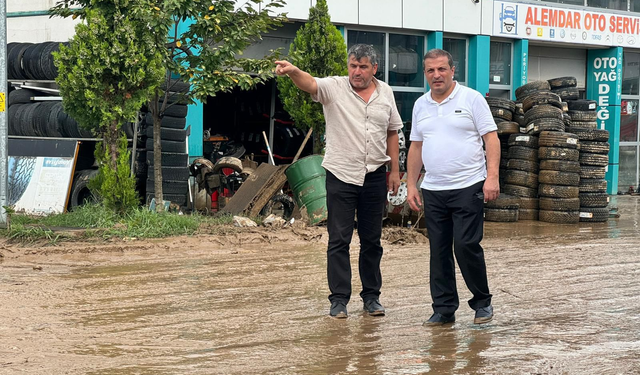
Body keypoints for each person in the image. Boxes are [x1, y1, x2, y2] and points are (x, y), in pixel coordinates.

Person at [275, 44, 402, 319]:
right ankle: (339, 300)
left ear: (374, 68)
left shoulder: (386, 93)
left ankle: (371, 298)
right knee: (339, 239)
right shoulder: (335, 88)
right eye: (353, 66)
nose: (357, 72)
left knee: (372, 240)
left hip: (375, 175)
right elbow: (310, 83)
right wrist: (293, 71)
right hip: (341, 175)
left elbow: (393, 132)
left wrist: (395, 171)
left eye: (363, 66)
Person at [405, 49, 500, 326]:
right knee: (439, 250)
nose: (436, 75)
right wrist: (412, 184)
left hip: (468, 185)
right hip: (434, 189)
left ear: (452, 70)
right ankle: (444, 309)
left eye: (441, 69)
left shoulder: (471, 99)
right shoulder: (421, 104)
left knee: (466, 245)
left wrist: (491, 177)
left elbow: (491, 139)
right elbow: (416, 146)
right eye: (431, 71)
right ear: (425, 74)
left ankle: (482, 303)